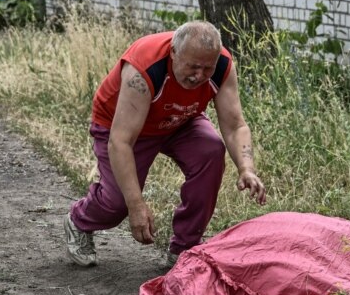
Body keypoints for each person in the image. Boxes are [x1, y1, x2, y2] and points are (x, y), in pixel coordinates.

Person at [63, 21, 267, 267]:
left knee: (211, 150)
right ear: (173, 52)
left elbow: (235, 125)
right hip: (123, 127)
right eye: (192, 67)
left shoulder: (222, 65)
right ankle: (79, 220)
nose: (199, 76)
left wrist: (246, 168)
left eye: (207, 69)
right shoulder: (145, 67)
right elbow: (121, 141)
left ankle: (185, 247)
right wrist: (136, 204)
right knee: (117, 203)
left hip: (178, 119)